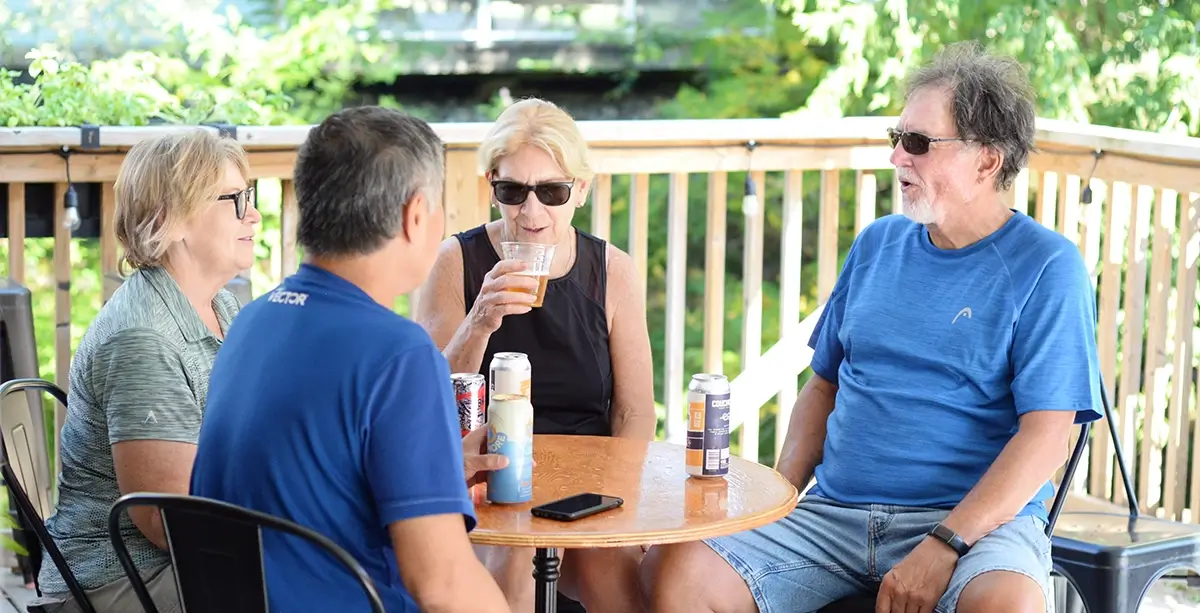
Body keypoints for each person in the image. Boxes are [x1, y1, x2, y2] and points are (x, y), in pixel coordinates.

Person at [640, 41, 1102, 613]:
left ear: (987, 160)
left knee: (1008, 604)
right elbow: (823, 386)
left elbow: (1046, 437)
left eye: (918, 143)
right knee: (674, 568)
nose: (896, 158)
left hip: (972, 526)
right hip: (833, 516)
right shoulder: (877, 243)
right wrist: (780, 498)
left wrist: (945, 543)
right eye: (896, 138)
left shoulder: (1048, 267)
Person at [189, 106, 510, 613]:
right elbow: (442, 585)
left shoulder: (250, 322)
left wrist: (438, 470)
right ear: (417, 215)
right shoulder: (398, 353)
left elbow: (313, 477)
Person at [416, 97, 655, 613]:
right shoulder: (456, 261)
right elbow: (421, 401)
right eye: (513, 191)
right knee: (514, 572)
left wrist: (621, 506)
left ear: (581, 191)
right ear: (492, 188)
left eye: (551, 191)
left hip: (590, 486)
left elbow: (634, 412)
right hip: (487, 479)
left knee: (618, 581)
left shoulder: (612, 271)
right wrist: (479, 321)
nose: (531, 212)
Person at [31, 129, 260, 613]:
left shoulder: (220, 305)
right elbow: (167, 521)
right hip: (120, 579)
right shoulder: (145, 337)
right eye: (235, 200)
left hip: (180, 563)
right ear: (170, 219)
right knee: (337, 574)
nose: (254, 214)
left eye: (251, 196)